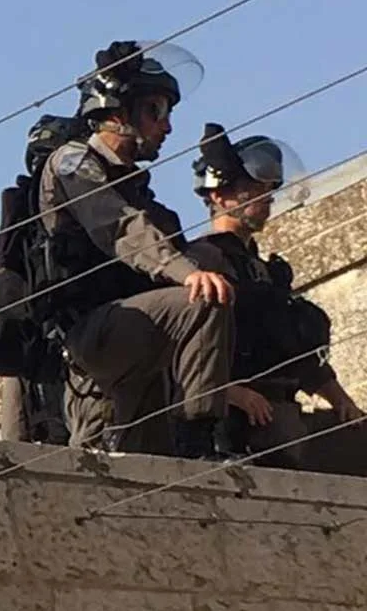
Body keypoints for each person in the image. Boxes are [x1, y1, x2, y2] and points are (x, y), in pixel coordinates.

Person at [35, 40, 267, 456]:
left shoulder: (138, 189)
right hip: (93, 333)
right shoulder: (73, 162)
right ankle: (199, 438)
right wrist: (189, 274)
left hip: (138, 340)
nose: (167, 127)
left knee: (141, 464)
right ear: (117, 112)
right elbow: (120, 227)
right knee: (203, 300)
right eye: (155, 111)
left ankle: (190, 452)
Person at [185, 124, 363, 467]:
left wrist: (340, 398)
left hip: (281, 412)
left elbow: (291, 345)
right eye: (253, 189)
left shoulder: (265, 270)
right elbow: (178, 352)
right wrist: (228, 393)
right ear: (219, 196)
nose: (265, 197)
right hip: (233, 423)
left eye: (268, 189)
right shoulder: (201, 262)